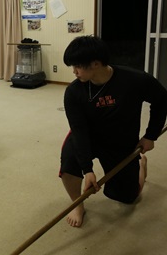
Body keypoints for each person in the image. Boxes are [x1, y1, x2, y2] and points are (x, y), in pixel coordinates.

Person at [60, 35, 167, 228]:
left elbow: (162, 100)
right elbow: (79, 130)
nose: (74, 72)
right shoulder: (74, 92)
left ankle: (141, 166)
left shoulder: (135, 80)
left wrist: (151, 135)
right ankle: (77, 204)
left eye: (78, 66)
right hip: (88, 137)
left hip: (121, 140)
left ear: (95, 63)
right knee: (68, 164)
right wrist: (87, 169)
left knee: (127, 197)